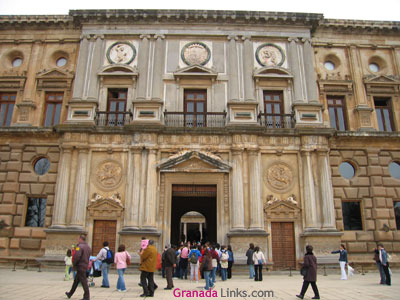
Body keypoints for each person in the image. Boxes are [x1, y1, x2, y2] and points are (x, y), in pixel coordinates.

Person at [65, 235, 91, 300]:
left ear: (80, 239)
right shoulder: (88, 247)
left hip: (80, 266)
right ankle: (70, 293)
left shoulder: (79, 247)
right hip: (85, 265)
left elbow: (77, 256)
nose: (78, 240)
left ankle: (86, 296)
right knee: (76, 280)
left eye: (78, 239)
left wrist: (74, 263)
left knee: (83, 281)